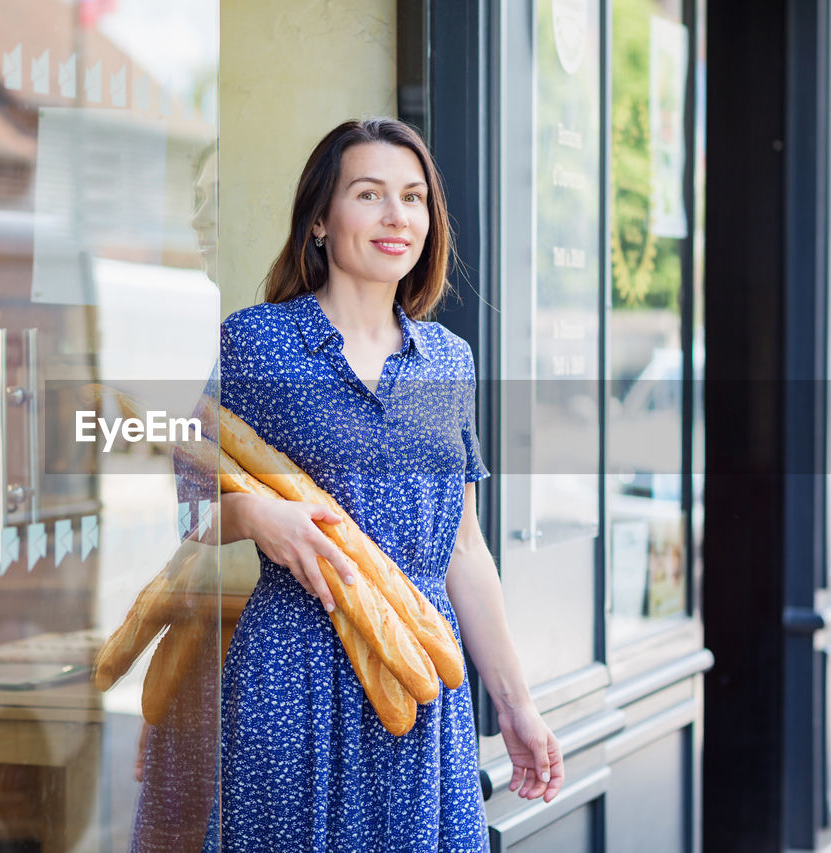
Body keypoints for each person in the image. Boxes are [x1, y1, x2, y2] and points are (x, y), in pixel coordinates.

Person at [205, 118, 564, 851]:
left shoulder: (448, 360)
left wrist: (518, 704)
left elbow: (465, 549)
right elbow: (171, 500)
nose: (397, 216)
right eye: (369, 194)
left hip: (421, 677)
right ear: (319, 219)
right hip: (292, 673)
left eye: (414, 198)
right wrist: (256, 518)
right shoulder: (256, 342)